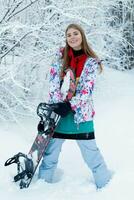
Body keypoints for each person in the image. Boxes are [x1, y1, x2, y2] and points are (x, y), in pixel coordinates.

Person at [38, 23, 112, 189]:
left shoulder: (91, 62)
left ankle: (107, 187)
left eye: (75, 33)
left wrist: (69, 106)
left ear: (82, 36)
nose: (72, 37)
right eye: (69, 34)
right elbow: (53, 84)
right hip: (58, 116)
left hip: (81, 116)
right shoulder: (59, 60)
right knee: (50, 155)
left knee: (91, 155)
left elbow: (86, 91)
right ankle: (40, 189)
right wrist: (58, 106)